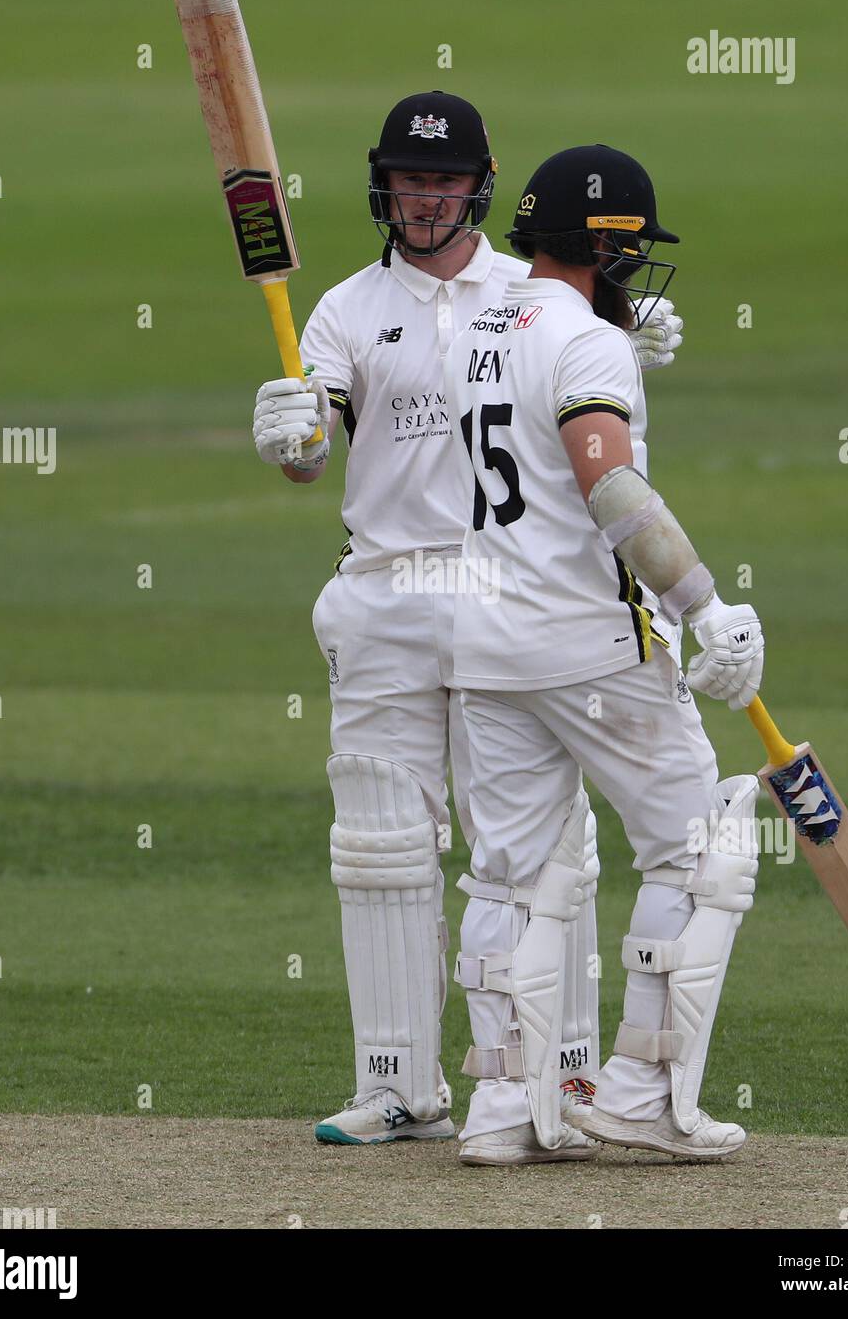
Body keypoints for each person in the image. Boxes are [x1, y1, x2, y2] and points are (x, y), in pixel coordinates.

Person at [251, 96, 684, 1148]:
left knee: (536, 844)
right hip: (387, 586)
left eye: (440, 182)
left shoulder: (529, 290)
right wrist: (295, 437)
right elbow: (316, 453)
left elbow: (588, 416)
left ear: (481, 184)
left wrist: (622, 325)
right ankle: (397, 1081)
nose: (423, 200)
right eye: (405, 182)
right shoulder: (347, 309)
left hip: (512, 592)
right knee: (382, 835)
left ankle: (563, 1076)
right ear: (381, 188)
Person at [442, 144, 765, 1164]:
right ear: (603, 249)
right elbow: (608, 487)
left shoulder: (476, 326)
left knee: (505, 878)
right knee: (695, 854)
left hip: (484, 643)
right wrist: (703, 606)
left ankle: (498, 1109)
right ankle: (641, 1090)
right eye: (632, 256)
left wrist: (605, 343)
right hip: (591, 642)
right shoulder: (587, 343)